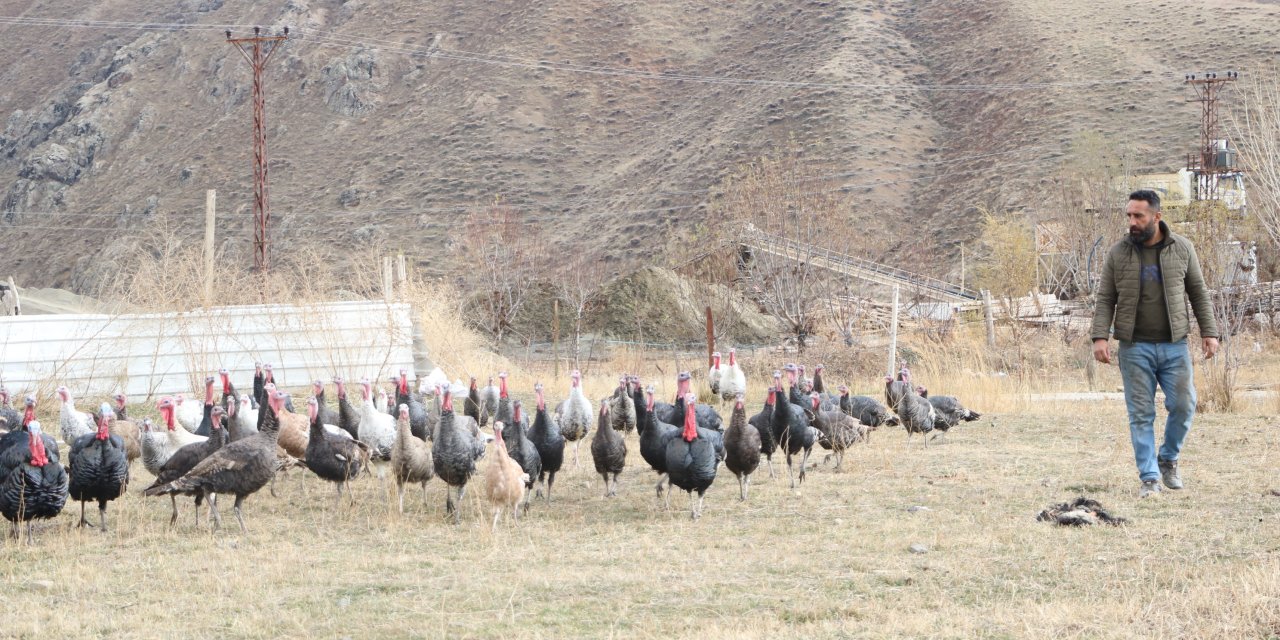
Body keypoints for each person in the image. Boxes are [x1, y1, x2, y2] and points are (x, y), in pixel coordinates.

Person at [1091, 189, 1218, 498]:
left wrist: (1209, 331)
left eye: (1139, 216)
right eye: (1129, 216)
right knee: (1141, 414)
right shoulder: (1118, 253)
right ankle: (1149, 477)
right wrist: (1099, 336)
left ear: (1156, 217)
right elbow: (1106, 297)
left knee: (1184, 405)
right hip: (1134, 347)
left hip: (1174, 345)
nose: (1132, 222)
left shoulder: (1182, 248)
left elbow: (1198, 292)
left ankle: (1168, 459)